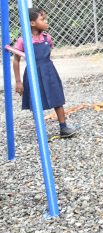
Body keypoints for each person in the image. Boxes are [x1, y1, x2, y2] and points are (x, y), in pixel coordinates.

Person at [12, 8, 76, 139]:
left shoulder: (47, 37)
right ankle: (41, 131)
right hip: (32, 73)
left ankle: (63, 127)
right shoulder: (23, 40)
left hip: (49, 71)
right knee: (36, 101)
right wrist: (18, 81)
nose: (46, 21)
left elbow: (47, 52)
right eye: (42, 19)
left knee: (57, 98)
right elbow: (16, 61)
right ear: (32, 23)